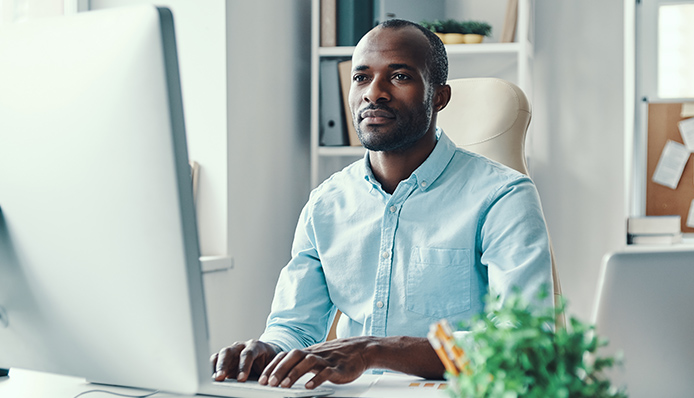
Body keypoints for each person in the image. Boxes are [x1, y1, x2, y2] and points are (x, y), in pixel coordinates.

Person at [211, 19, 553, 390]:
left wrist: (374, 350)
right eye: (360, 77)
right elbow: (295, 326)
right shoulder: (326, 204)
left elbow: (526, 345)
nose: (374, 92)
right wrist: (267, 350)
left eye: (400, 76)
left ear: (439, 97)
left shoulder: (503, 196)